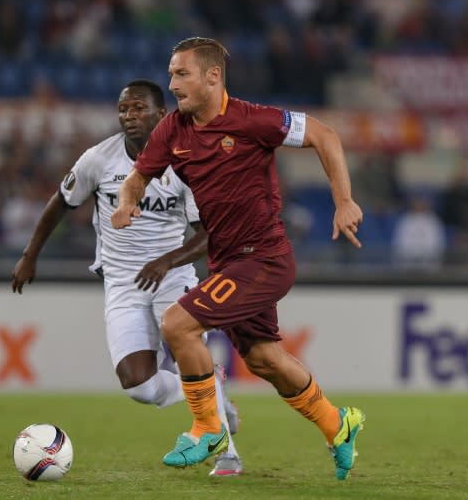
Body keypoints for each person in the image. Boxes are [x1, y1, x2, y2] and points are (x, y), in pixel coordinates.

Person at [111, 37, 365, 480]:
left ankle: (208, 427)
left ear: (213, 76)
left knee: (178, 324)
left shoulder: (254, 120)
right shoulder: (172, 130)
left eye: (182, 73)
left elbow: (326, 135)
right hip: (229, 263)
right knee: (265, 359)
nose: (172, 83)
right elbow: (137, 177)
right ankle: (337, 423)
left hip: (264, 258)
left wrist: (343, 200)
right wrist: (126, 202)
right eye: (171, 74)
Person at [11, 79, 243, 476]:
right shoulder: (98, 160)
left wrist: (167, 261)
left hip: (172, 279)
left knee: (189, 357)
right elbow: (60, 203)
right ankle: (210, 385)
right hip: (121, 283)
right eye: (123, 110)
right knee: (139, 386)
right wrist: (30, 254)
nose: (129, 116)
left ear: (161, 114)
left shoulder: (186, 163)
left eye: (138, 109)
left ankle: (228, 455)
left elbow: (209, 234)